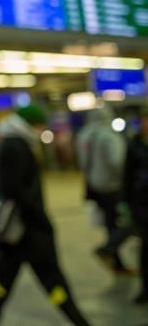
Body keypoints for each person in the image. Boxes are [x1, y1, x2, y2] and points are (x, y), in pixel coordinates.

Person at [0, 105, 90, 326]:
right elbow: (14, 188)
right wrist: (40, 217)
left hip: (19, 231)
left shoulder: (14, 142)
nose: (43, 129)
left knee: (5, 278)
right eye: (41, 124)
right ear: (31, 124)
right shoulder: (16, 145)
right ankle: (79, 321)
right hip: (28, 228)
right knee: (50, 278)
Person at [76, 105, 128, 272]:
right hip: (113, 186)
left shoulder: (83, 135)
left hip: (94, 185)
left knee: (109, 222)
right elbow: (117, 162)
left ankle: (116, 260)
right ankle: (109, 250)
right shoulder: (109, 135)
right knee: (128, 222)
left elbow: (82, 163)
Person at [123, 106, 148, 304]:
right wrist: (126, 204)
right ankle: (145, 289)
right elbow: (127, 176)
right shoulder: (134, 145)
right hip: (142, 204)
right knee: (145, 249)